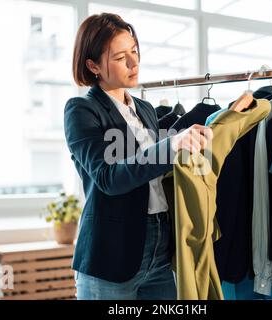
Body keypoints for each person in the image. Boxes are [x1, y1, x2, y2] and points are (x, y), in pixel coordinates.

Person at [64, 12, 213, 300]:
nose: (134, 63)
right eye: (121, 58)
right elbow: (109, 178)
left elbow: (155, 173)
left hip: (160, 246)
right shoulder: (81, 110)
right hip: (111, 255)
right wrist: (171, 145)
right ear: (93, 65)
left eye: (134, 51)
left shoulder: (144, 109)